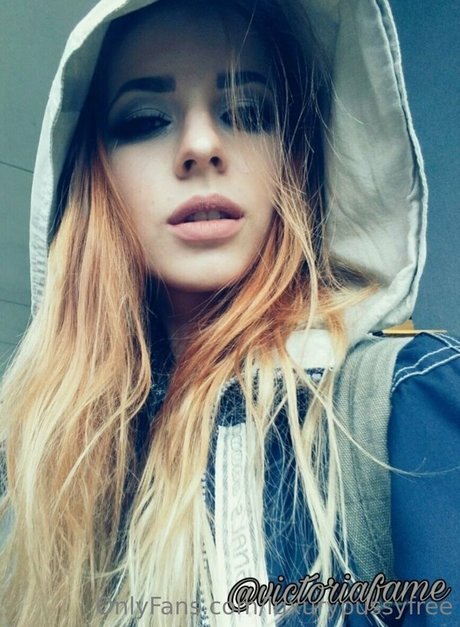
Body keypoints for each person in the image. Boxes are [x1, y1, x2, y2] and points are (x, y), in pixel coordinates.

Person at [0, 0, 458, 625]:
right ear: (95, 177)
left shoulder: (407, 400)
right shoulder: (51, 459)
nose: (201, 145)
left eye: (247, 112)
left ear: (293, 160)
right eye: (146, 119)